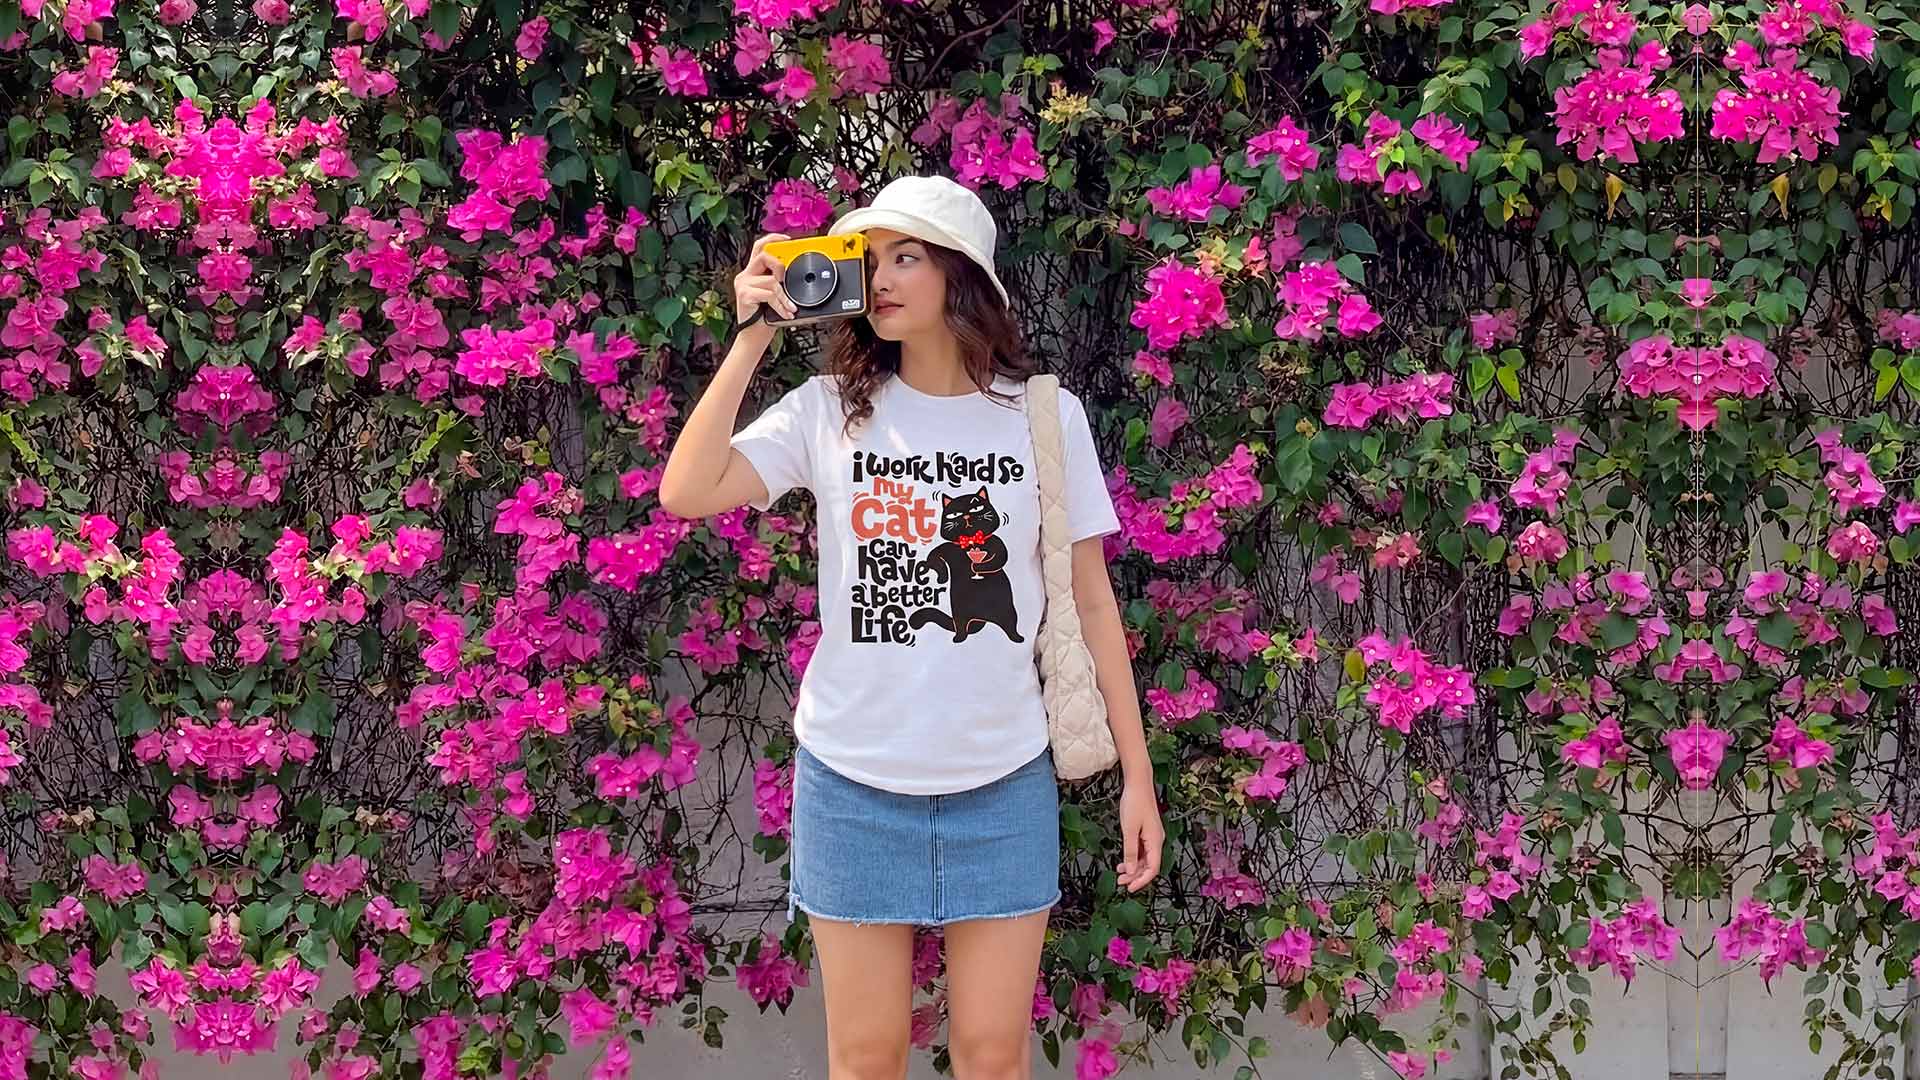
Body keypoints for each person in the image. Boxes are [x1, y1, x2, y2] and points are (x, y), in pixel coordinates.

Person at [660, 173, 1164, 1080]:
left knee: (990, 1057)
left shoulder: (1042, 416)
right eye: (868, 258)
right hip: (853, 784)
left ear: (961, 276)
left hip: (1001, 784)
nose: (883, 278)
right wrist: (753, 339)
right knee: (864, 1060)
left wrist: (1138, 774)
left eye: (908, 255)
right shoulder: (829, 412)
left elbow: (1092, 603)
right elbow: (686, 491)